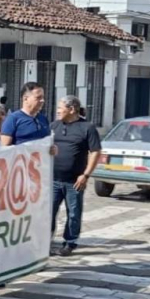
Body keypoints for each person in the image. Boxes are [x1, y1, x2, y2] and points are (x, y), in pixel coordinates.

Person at [50, 95, 102, 257]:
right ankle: (46, 241)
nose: (58, 111)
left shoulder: (87, 127)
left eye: (61, 108)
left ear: (72, 109)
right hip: (53, 179)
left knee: (73, 212)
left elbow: (95, 152)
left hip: (75, 180)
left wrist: (86, 175)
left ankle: (70, 242)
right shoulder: (54, 126)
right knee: (48, 212)